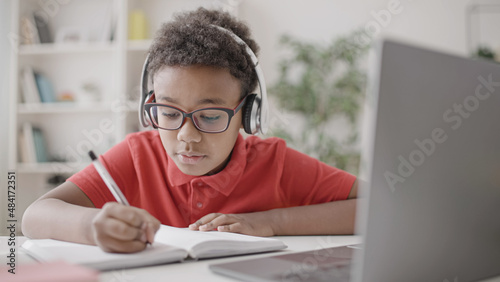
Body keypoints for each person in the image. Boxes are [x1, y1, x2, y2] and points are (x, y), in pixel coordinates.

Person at [22, 8, 358, 253]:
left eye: (210, 116)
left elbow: (380, 205)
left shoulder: (276, 163)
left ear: (248, 115)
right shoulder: (139, 154)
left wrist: (270, 222)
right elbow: (34, 216)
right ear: (148, 108)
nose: (186, 135)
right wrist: (91, 227)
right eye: (168, 113)